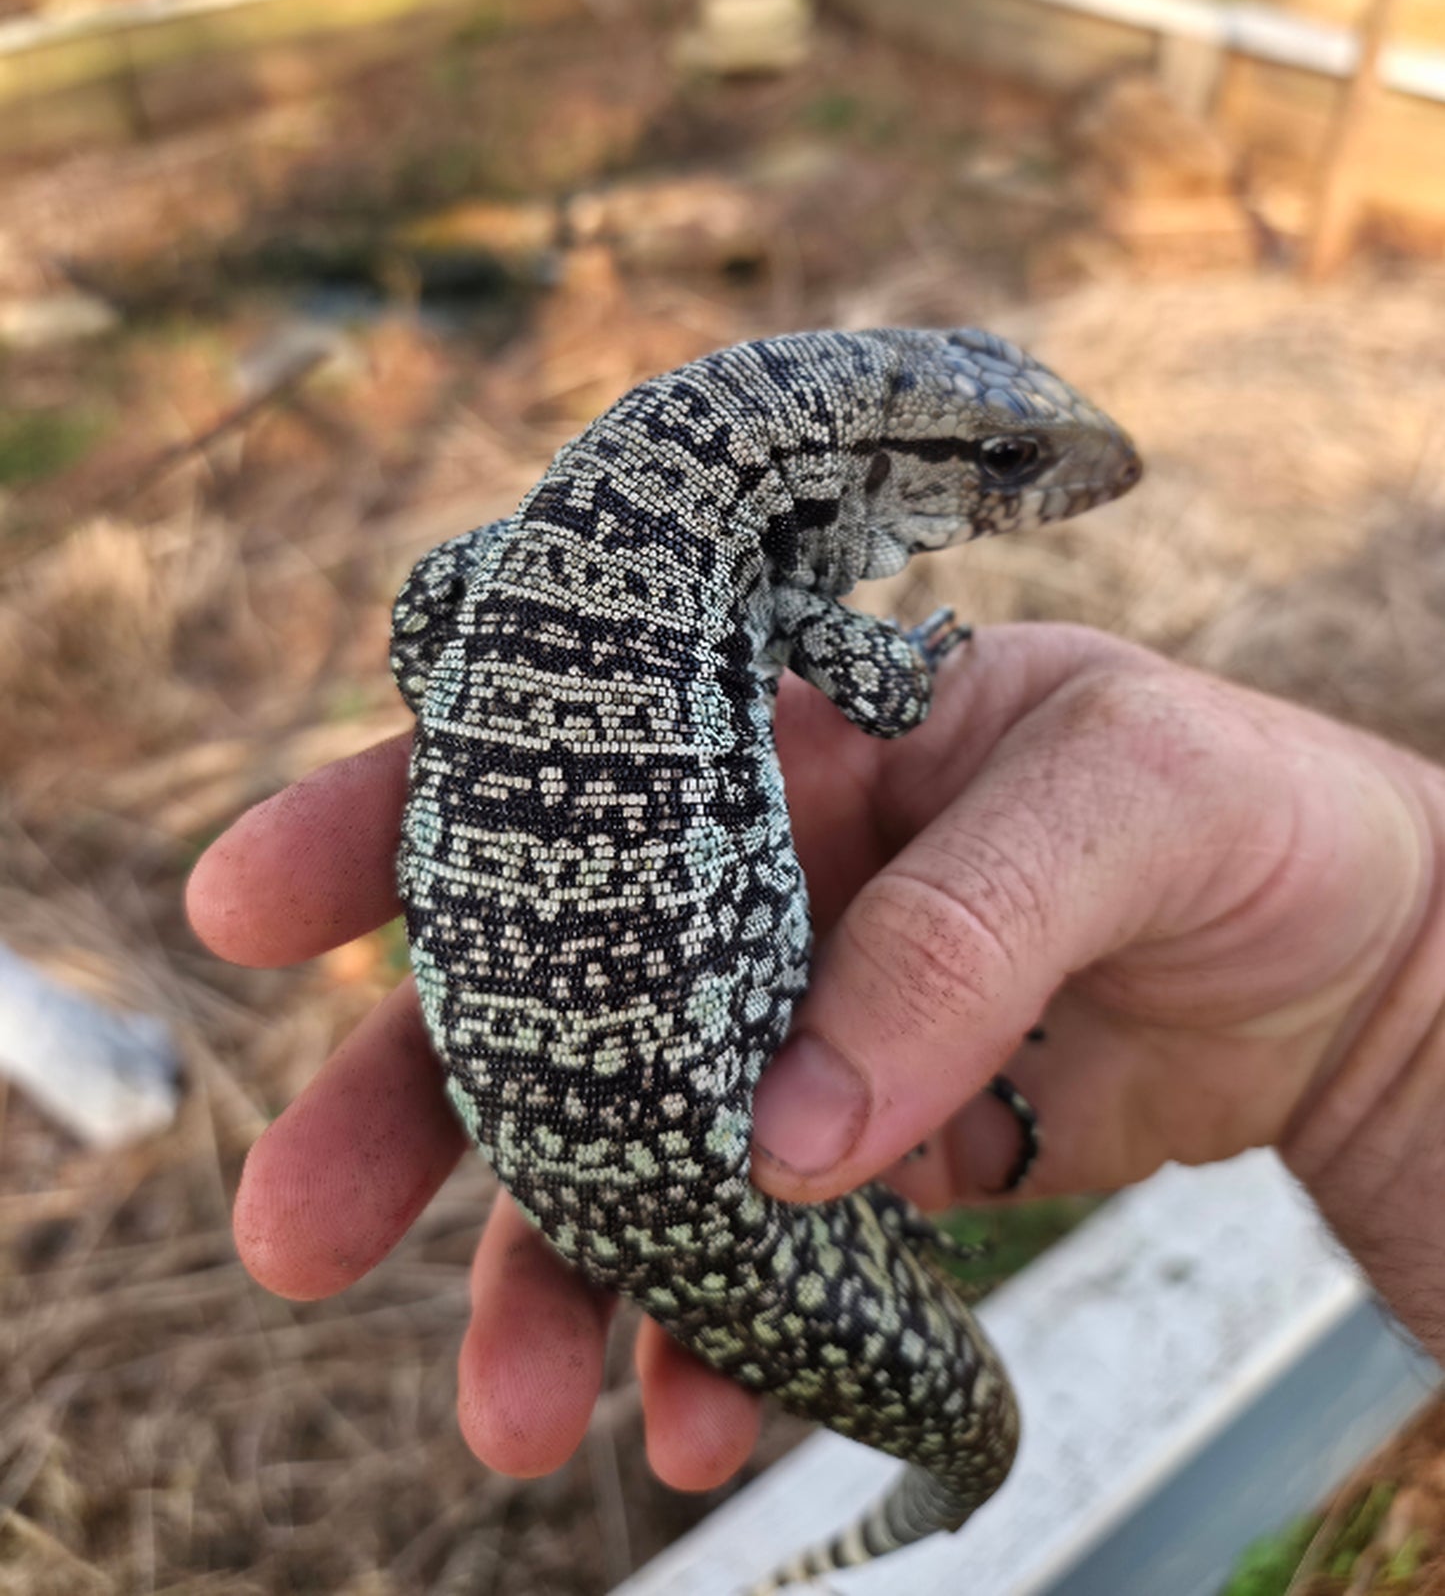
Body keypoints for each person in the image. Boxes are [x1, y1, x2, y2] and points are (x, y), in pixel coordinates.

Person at [187, 623, 1445, 1493]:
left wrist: (1397, 1000)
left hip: (654, 1129)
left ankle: (931, 1470)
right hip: (674, 1139)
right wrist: (1391, 1016)